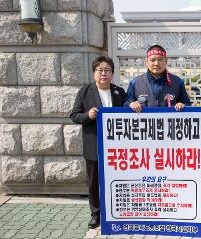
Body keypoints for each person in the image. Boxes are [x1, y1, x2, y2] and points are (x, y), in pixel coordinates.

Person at [70, 56, 126, 229]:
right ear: (94, 72)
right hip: (94, 144)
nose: (103, 73)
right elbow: (74, 116)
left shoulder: (119, 92)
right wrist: (88, 115)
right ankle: (96, 213)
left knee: (116, 179)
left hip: (116, 146)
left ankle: (116, 211)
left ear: (112, 74)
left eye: (107, 70)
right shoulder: (85, 92)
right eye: (100, 70)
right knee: (94, 181)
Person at [124, 44, 191, 111]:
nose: (156, 63)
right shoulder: (135, 83)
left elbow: (187, 104)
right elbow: (126, 103)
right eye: (152, 60)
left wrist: (182, 105)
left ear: (166, 61)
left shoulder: (177, 82)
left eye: (160, 59)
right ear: (147, 62)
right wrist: (131, 104)